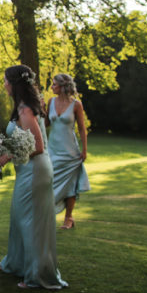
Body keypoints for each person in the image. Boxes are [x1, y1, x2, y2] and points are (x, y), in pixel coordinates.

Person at [0, 64, 67, 290]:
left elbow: (38, 145)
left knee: (31, 222)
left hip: (35, 171)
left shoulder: (25, 109)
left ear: (14, 83)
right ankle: (16, 263)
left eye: (5, 81)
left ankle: (38, 275)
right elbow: (23, 139)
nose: (4, 85)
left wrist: (9, 155)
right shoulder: (25, 107)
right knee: (20, 217)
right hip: (29, 171)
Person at [47, 73, 89, 229]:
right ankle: (48, 214)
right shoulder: (50, 102)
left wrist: (84, 150)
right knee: (49, 181)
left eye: (54, 84)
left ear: (63, 86)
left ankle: (68, 218)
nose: (51, 87)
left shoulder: (76, 104)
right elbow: (43, 124)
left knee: (70, 185)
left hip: (70, 151)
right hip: (52, 150)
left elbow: (82, 130)